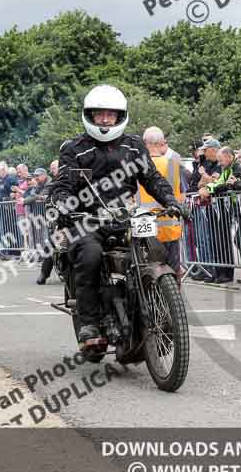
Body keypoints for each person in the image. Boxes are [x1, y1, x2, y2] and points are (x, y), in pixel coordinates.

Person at [49, 84, 186, 346]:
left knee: (154, 251)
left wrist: (171, 200)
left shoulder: (134, 145)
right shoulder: (74, 148)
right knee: (89, 255)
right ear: (90, 116)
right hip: (87, 219)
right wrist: (65, 206)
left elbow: (151, 178)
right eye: (99, 114)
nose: (104, 119)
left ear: (119, 116)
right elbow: (63, 185)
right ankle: (89, 323)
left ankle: (162, 312)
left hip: (126, 218)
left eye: (110, 115)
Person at [140, 126, 184, 278]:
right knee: (173, 273)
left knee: (147, 273)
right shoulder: (172, 163)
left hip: (144, 229)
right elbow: (179, 195)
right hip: (169, 226)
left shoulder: (137, 166)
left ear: (144, 143)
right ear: (160, 143)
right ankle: (175, 300)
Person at [199, 146, 241, 284]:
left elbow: (226, 186)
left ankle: (227, 273)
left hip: (234, 208)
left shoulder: (236, 168)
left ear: (229, 157)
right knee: (218, 240)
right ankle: (219, 271)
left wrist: (209, 189)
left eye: (221, 160)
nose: (220, 164)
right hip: (224, 208)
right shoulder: (226, 169)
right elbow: (219, 183)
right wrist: (208, 188)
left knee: (228, 240)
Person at [25, 168, 54, 285]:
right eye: (35, 176)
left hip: (52, 214)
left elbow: (38, 196)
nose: (35, 178)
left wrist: (34, 197)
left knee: (47, 238)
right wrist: (36, 196)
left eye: (37, 176)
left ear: (44, 175)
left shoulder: (50, 183)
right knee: (51, 243)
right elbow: (33, 195)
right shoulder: (40, 184)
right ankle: (44, 274)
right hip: (50, 216)